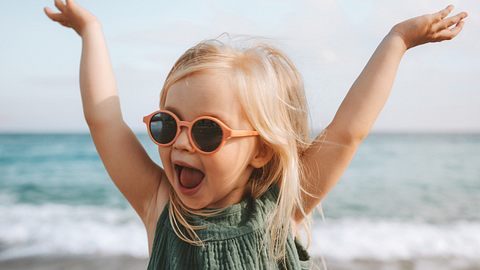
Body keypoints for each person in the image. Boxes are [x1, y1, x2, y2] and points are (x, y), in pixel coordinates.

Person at [44, 1, 468, 269]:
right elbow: (104, 122)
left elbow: (348, 131)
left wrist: (398, 40)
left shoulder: (278, 211)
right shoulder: (161, 209)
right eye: (167, 124)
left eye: (208, 131)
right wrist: (91, 31)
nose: (182, 143)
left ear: (261, 150)